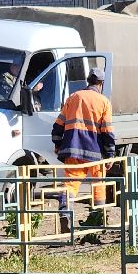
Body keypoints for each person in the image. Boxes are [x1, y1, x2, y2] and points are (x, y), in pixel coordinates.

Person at [51, 68, 116, 231]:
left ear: (88, 81)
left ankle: (65, 213)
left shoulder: (73, 97)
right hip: (95, 153)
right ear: (101, 84)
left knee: (70, 184)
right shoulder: (104, 102)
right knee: (98, 185)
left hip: (73, 150)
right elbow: (107, 131)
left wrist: (57, 144)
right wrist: (110, 154)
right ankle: (98, 218)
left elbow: (58, 125)